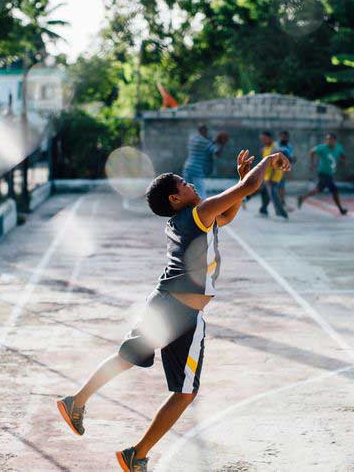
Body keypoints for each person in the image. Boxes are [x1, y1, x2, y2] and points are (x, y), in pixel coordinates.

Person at [57, 149, 291, 472]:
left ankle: (78, 402)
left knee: (128, 358)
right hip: (183, 313)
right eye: (183, 184)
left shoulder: (187, 218)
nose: (190, 184)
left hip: (164, 302)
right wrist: (270, 160)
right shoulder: (199, 212)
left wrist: (239, 181)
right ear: (175, 198)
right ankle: (135, 454)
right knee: (184, 393)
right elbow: (250, 188)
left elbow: (228, 215)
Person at [297, 132, 348, 215]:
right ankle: (341, 209)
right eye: (327, 139)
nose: (328, 141)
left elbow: (342, 155)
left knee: (318, 189)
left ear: (335, 140)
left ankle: (302, 198)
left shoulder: (338, 147)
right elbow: (312, 151)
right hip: (322, 172)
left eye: (330, 139)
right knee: (334, 190)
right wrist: (312, 163)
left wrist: (343, 159)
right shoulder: (322, 147)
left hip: (330, 173)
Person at [182, 124, 228, 199]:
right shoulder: (205, 142)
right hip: (197, 170)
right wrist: (222, 144)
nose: (207, 133)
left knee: (186, 192)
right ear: (204, 131)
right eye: (206, 131)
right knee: (201, 194)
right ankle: (202, 209)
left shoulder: (193, 139)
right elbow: (217, 153)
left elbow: (208, 144)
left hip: (187, 168)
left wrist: (214, 141)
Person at [257, 131, 288, 219]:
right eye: (261, 139)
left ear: (269, 138)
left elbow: (276, 163)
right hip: (266, 176)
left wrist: (270, 177)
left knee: (273, 195)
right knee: (264, 192)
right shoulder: (265, 148)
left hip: (273, 175)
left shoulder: (275, 147)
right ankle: (263, 210)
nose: (262, 140)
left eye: (264, 139)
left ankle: (282, 214)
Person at [276, 131, 296, 210]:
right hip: (274, 168)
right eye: (283, 137)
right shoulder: (276, 145)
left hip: (282, 168)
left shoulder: (289, 146)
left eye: (286, 137)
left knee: (281, 185)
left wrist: (292, 159)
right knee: (271, 185)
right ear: (280, 137)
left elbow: (290, 157)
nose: (284, 138)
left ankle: (281, 201)